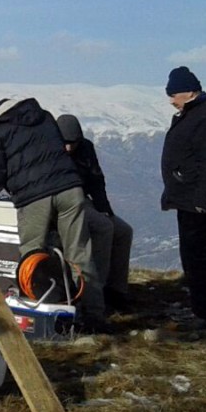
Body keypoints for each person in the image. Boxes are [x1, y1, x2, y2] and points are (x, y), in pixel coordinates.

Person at [0, 95, 109, 333]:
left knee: (32, 257)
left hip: (34, 198)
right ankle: (94, 316)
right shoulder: (42, 115)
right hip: (70, 189)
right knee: (79, 253)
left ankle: (39, 315)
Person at [161, 66, 206, 330]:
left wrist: (203, 199)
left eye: (173, 94)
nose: (171, 100)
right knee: (192, 254)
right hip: (191, 198)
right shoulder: (196, 114)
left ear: (188, 91)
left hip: (200, 202)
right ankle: (200, 308)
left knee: (197, 254)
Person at [56, 113, 134, 313]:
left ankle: (116, 289)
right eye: (65, 142)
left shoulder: (86, 149)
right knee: (103, 228)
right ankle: (94, 291)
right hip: (64, 205)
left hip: (85, 201)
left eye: (73, 143)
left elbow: (96, 181)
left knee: (124, 231)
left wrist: (105, 210)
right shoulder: (50, 150)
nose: (69, 147)